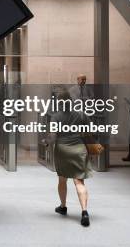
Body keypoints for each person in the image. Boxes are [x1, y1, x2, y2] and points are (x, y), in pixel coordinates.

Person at [49, 88, 93, 227]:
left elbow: (53, 136)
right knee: (79, 182)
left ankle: (63, 206)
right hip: (79, 149)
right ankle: (84, 212)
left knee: (62, 180)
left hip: (62, 150)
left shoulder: (55, 116)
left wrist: (47, 142)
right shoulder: (81, 114)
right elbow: (89, 131)